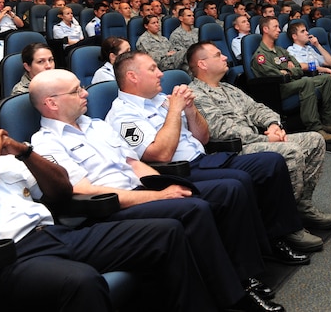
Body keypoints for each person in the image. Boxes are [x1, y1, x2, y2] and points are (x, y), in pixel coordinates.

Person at [26, 70, 285, 312]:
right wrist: (158, 195)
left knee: (223, 191)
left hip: (139, 192)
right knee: (194, 209)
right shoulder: (46, 143)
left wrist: (166, 186)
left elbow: (135, 164)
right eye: (76, 91)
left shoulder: (97, 125)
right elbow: (85, 190)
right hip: (109, 208)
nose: (86, 93)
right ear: (52, 103)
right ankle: (233, 295)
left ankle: (244, 276)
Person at [105, 50, 323, 256]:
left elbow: (202, 138)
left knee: (271, 162)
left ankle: (279, 231)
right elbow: (161, 155)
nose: (161, 73)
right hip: (178, 170)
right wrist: (174, 110)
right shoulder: (123, 115)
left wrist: (190, 110)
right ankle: (263, 247)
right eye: (153, 69)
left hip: (204, 157)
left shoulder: (161, 99)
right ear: (132, 76)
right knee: (238, 182)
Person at [0, 127, 221, 312]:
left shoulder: (7, 160)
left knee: (167, 233)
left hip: (53, 234)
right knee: (83, 281)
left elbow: (61, 190)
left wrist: (24, 152)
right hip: (10, 256)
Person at [187, 41, 331, 230]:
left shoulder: (228, 88)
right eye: (218, 55)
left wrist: (273, 124)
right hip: (231, 151)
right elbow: (222, 131)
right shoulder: (196, 94)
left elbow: (256, 108)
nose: (225, 57)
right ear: (202, 64)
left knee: (314, 140)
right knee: (290, 151)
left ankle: (301, 207)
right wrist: (266, 139)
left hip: (255, 141)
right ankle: (283, 221)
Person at [251, 16, 331, 140]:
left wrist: (288, 70)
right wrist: (289, 70)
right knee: (306, 81)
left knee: (327, 79)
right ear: (265, 29)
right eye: (275, 27)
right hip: (277, 89)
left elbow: (297, 67)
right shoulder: (260, 56)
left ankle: (329, 122)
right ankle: (315, 127)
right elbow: (277, 76)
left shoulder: (280, 50)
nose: (279, 30)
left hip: (292, 82)